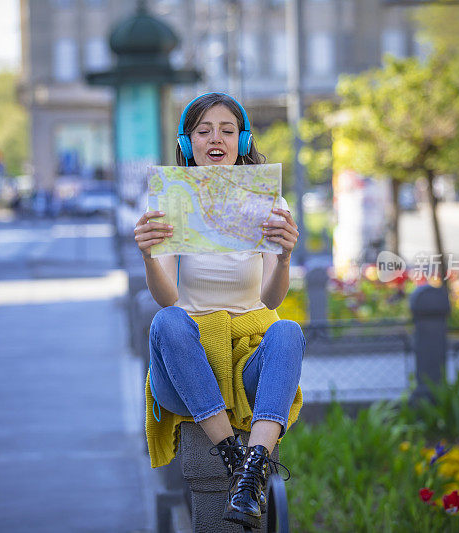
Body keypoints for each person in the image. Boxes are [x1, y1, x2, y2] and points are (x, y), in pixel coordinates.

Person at [135, 92, 305, 529]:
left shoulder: (269, 204)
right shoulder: (170, 201)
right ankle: (235, 457)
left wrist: (284, 257)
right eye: (204, 131)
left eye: (228, 130)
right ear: (188, 142)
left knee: (287, 331)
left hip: (245, 357)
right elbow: (167, 298)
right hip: (186, 364)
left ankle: (252, 469)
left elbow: (270, 301)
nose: (217, 138)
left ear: (242, 140)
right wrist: (150, 256)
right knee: (167, 320)